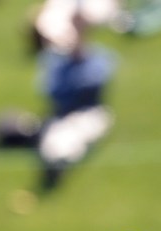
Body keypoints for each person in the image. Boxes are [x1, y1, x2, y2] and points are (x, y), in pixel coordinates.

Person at [36, 12, 116, 191]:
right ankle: (55, 164)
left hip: (90, 113)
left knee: (75, 137)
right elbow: (51, 91)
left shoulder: (99, 57)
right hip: (61, 114)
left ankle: (60, 164)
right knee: (54, 139)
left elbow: (94, 86)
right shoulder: (55, 61)